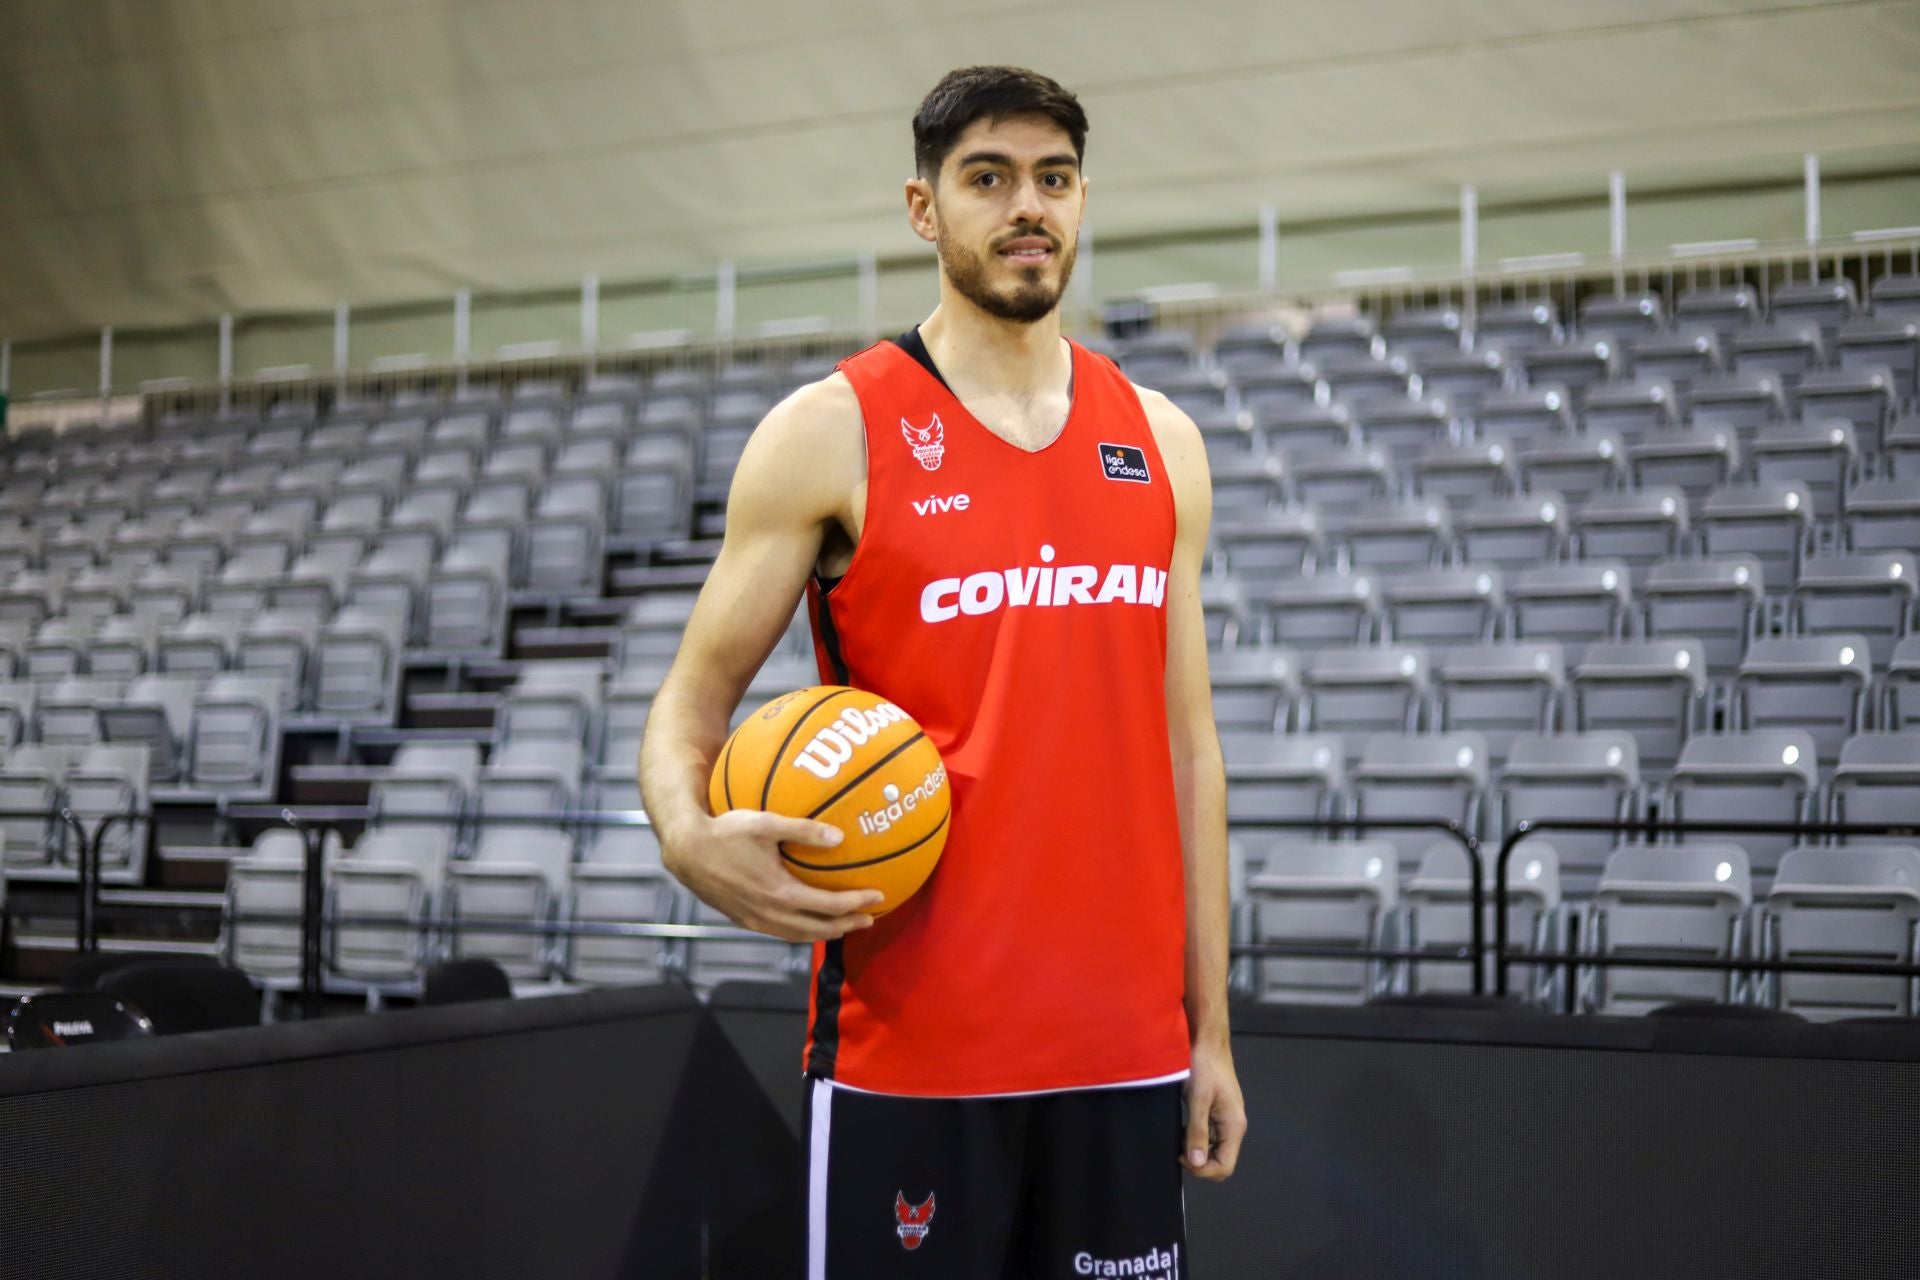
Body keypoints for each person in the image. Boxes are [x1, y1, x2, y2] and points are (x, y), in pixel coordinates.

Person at [639, 64, 1245, 1277]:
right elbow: (689, 705)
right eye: (989, 178)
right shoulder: (835, 429)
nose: (1030, 206)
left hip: (1126, 1051)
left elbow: (1191, 757)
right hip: (911, 1049)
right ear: (925, 210)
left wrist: (1210, 1033)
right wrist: (682, 829)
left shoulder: (1163, 442)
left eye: (1055, 179)